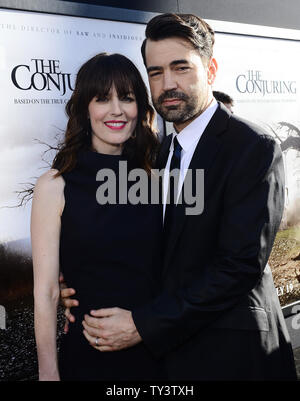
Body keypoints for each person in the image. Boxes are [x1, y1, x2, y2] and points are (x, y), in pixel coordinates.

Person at [62, 14, 297, 380]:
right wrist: (78, 286)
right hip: (170, 359)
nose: (168, 84)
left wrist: (143, 324)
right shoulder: (157, 154)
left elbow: (237, 267)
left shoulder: (251, 147)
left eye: (181, 68)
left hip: (235, 356)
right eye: (155, 72)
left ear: (211, 69)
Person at [31, 52, 165, 381]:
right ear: (84, 108)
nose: (116, 110)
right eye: (103, 98)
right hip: (89, 357)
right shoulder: (55, 185)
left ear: (140, 109)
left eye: (127, 98)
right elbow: (46, 292)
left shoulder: (158, 179)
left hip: (159, 353)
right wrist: (48, 373)